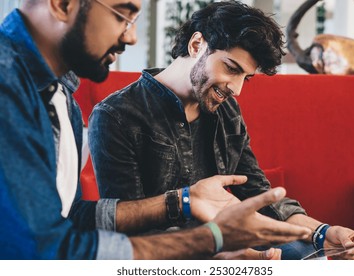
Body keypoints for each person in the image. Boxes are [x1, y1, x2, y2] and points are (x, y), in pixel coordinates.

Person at [0, 0, 311, 260]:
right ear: (63, 4)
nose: (133, 37)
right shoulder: (10, 86)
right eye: (123, 14)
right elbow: (45, 251)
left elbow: (70, 217)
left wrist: (183, 201)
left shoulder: (61, 97)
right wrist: (212, 242)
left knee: (302, 253)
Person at [89, 0, 354, 260]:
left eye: (246, 77)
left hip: (228, 241)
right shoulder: (116, 116)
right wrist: (216, 256)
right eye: (231, 68)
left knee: (310, 254)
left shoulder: (225, 109)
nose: (237, 89)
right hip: (167, 254)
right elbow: (129, 230)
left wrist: (322, 232)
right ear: (197, 44)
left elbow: (258, 193)